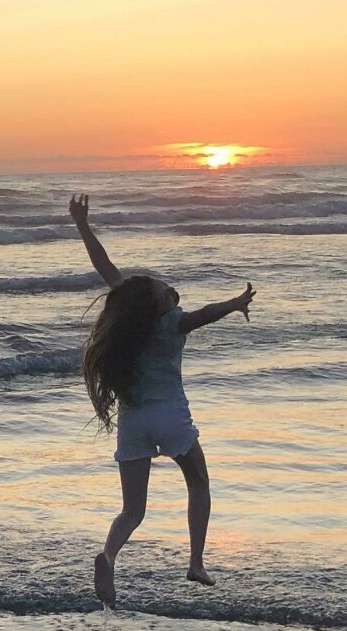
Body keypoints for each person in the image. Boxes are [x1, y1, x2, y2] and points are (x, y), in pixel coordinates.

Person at [69, 193, 255, 607]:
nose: (171, 288)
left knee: (132, 510)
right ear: (159, 304)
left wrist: (82, 224)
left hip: (134, 422)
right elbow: (204, 314)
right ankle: (196, 561)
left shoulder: (130, 324)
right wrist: (234, 303)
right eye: (164, 288)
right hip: (171, 418)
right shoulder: (171, 323)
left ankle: (108, 555)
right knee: (199, 483)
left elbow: (105, 268)